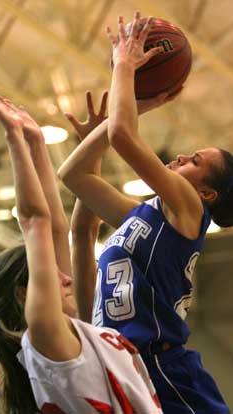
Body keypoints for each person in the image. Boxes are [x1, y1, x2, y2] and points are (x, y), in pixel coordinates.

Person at [58, 13, 232, 414]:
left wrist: (125, 68)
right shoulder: (143, 216)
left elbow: (123, 134)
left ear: (206, 192)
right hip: (114, 364)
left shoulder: (188, 211)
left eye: (197, 161)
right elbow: (75, 182)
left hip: (161, 370)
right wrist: (98, 140)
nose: (184, 154)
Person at [0, 87, 163, 414]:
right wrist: (14, 138)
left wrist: (36, 142)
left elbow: (59, 229)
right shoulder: (50, 343)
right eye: (53, 275)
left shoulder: (76, 333)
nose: (66, 278)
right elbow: (36, 220)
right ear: (27, 294)